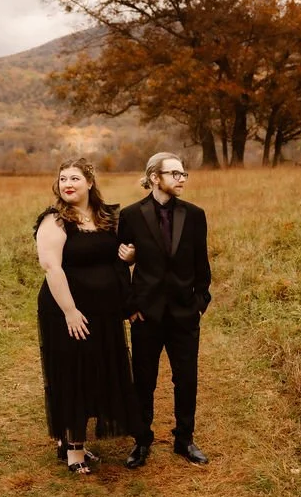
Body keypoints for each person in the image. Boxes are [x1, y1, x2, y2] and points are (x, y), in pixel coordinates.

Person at [34, 158, 141, 474]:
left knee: (96, 370)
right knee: (72, 371)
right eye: (63, 178)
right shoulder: (54, 221)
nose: (67, 183)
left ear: (90, 183)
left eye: (75, 178)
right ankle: (74, 450)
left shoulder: (107, 217)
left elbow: (117, 258)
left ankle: (70, 439)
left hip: (103, 311)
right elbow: (51, 266)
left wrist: (130, 256)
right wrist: (69, 311)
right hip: (67, 309)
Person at [118, 152, 212, 468]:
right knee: (144, 380)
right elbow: (120, 265)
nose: (181, 178)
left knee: (186, 379)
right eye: (174, 173)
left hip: (185, 314)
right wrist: (130, 307)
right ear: (155, 177)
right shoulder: (131, 215)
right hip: (146, 314)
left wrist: (200, 303)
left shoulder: (196, 215)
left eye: (183, 173)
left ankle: (184, 441)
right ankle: (141, 442)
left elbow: (202, 264)